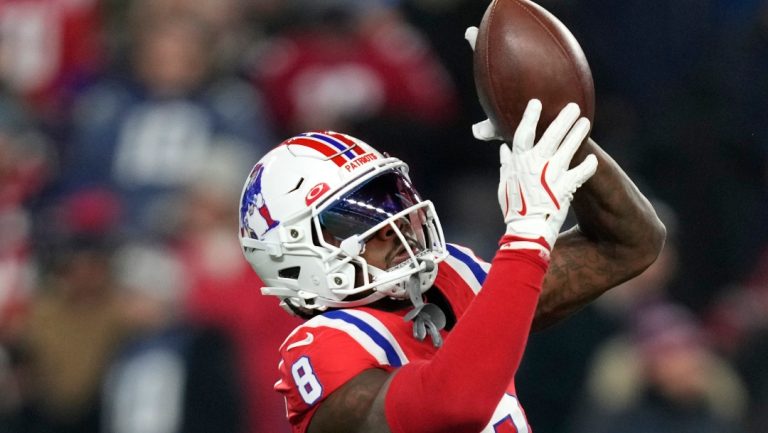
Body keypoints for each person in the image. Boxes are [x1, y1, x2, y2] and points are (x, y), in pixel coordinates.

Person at [237, 38, 665, 433]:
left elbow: (628, 244)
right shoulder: (319, 347)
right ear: (290, 254)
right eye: (354, 217)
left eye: (390, 199)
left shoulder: (449, 279)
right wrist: (525, 239)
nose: (395, 222)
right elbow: (451, 407)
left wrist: (550, 129)